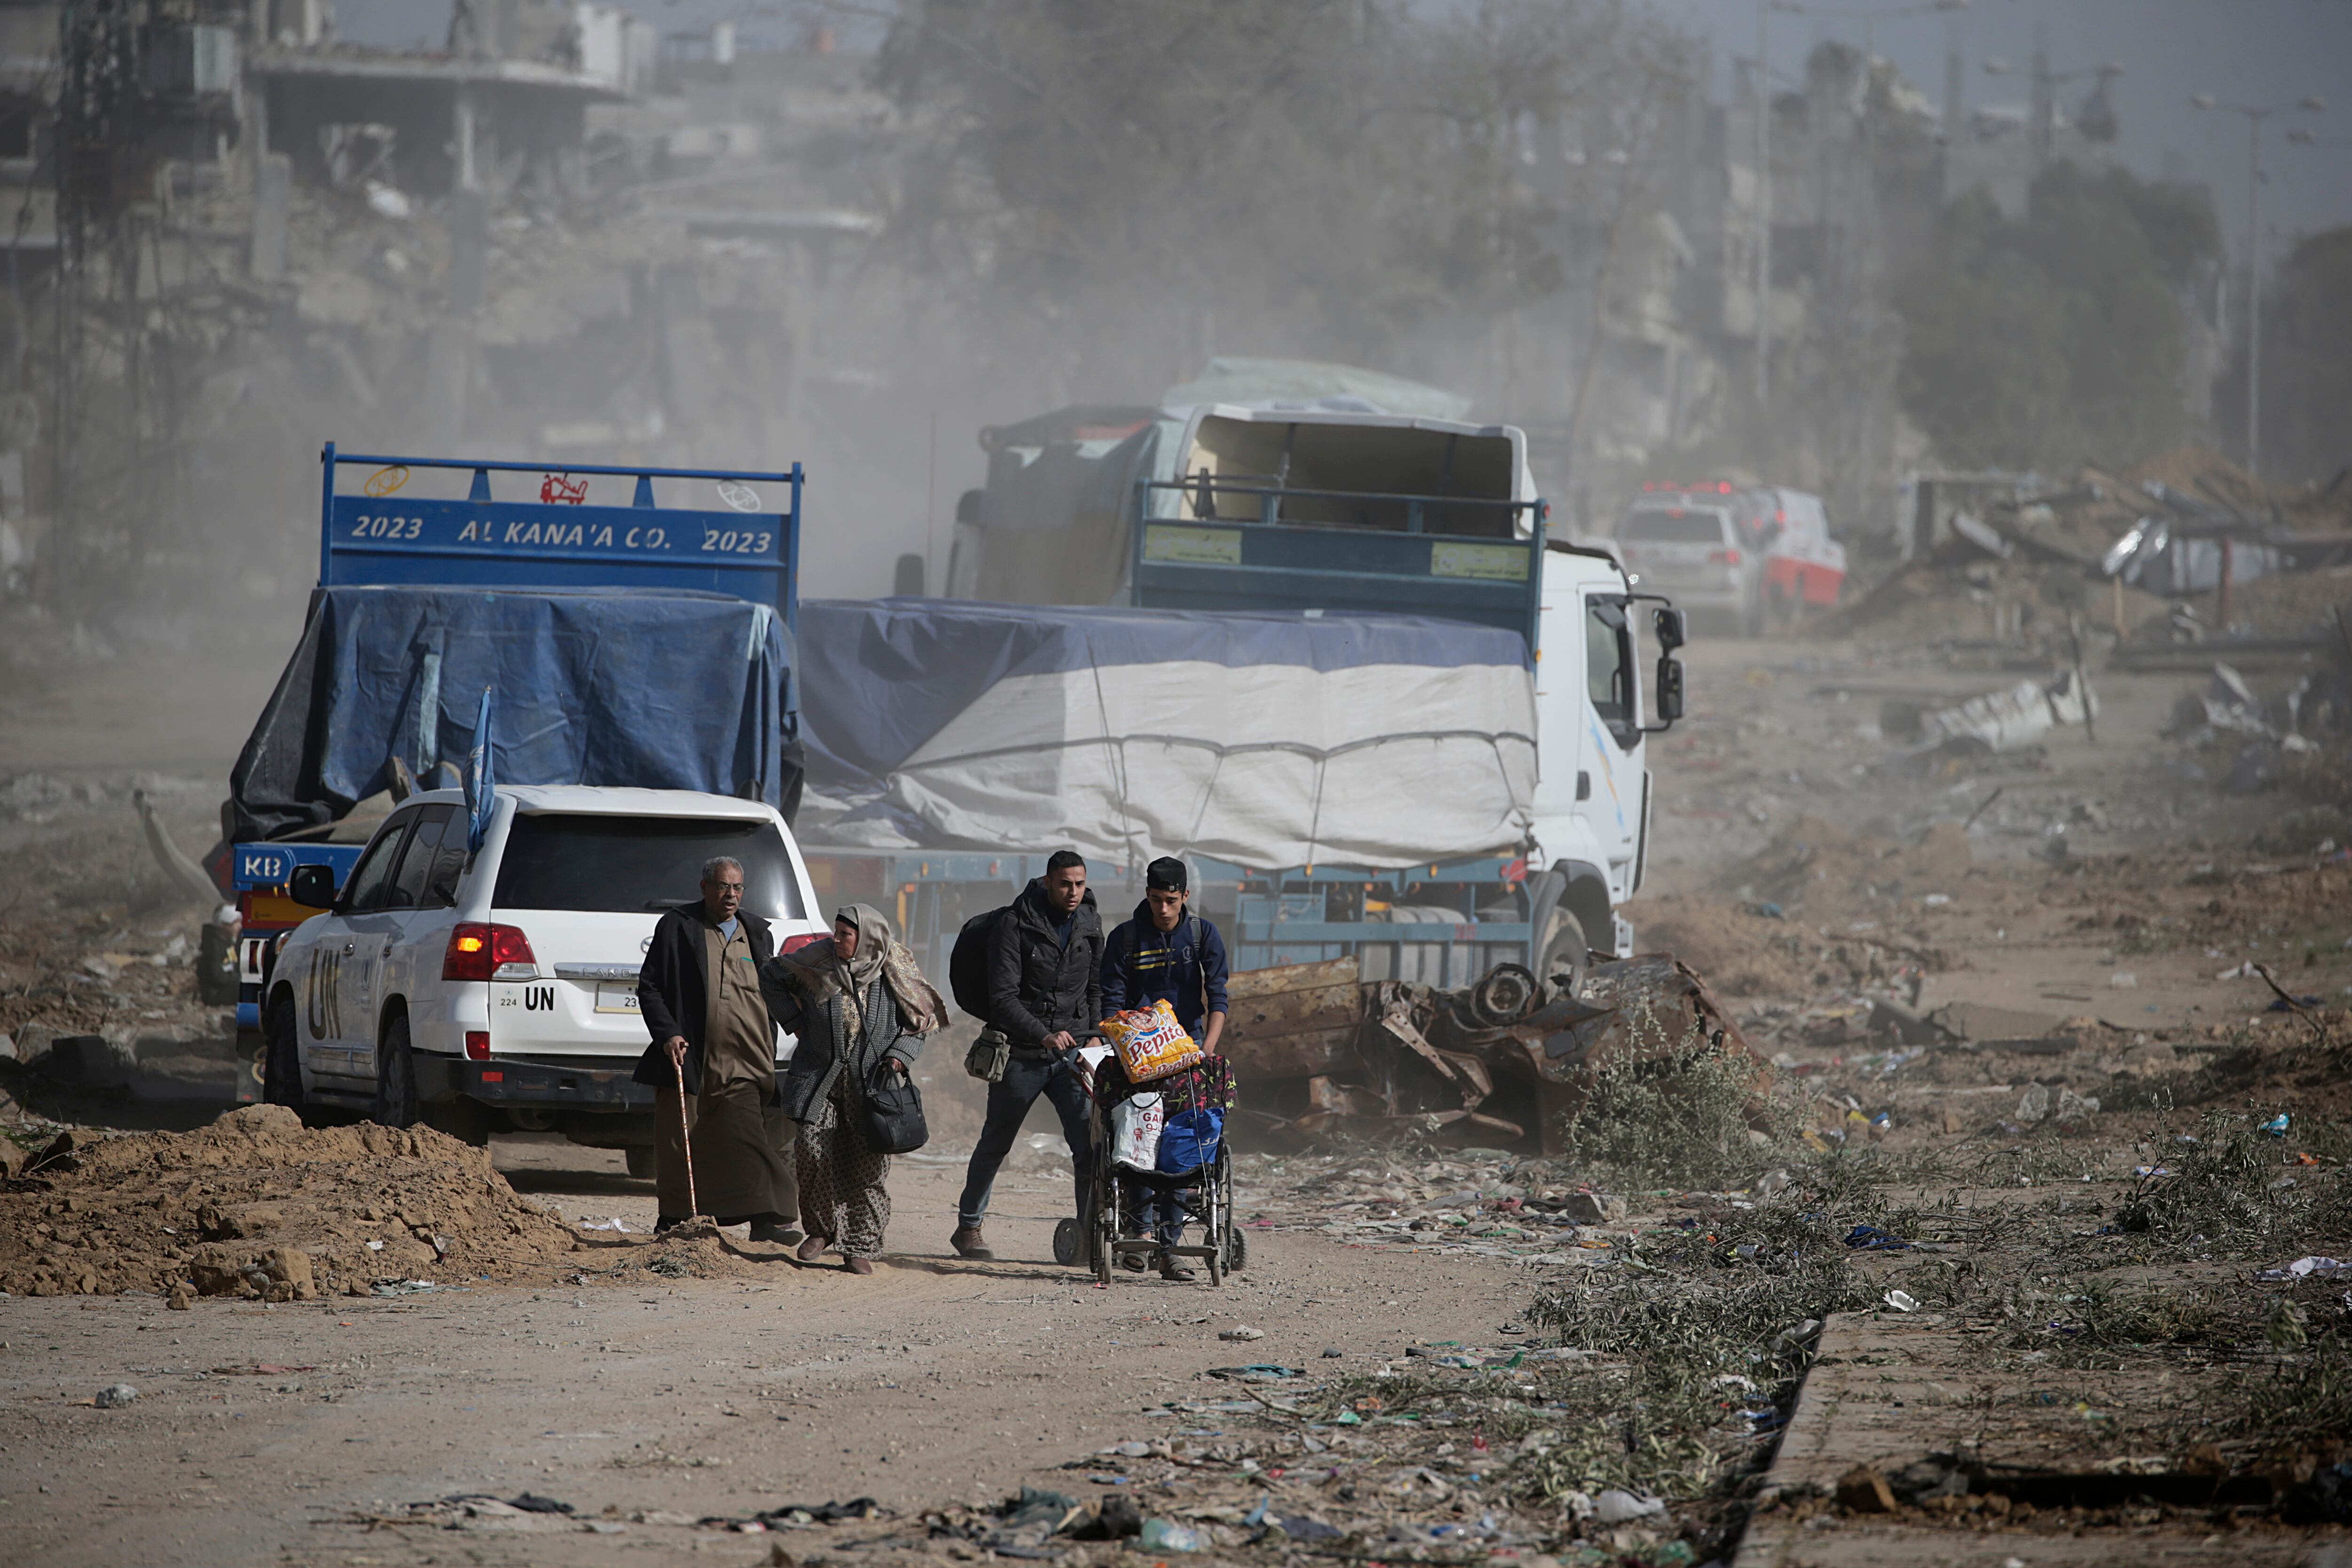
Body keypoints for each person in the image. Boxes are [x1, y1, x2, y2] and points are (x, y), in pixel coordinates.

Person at [768, 904, 946, 1274]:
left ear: (867, 938)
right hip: (820, 1080)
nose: (836, 939)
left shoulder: (893, 972)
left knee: (867, 1169)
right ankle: (820, 1231)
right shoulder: (817, 964)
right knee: (812, 1152)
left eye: (845, 935)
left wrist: (899, 1055)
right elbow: (770, 976)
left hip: (871, 1088)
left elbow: (920, 1021)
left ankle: (859, 1246)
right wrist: (795, 1021)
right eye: (835, 932)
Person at [632, 856, 801, 1242]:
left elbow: (773, 991)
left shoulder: (757, 934)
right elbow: (651, 987)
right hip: (690, 1056)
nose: (731, 895)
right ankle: (674, 1218)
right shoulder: (678, 927)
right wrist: (668, 1034)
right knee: (680, 1137)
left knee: (746, 1135)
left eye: (738, 887)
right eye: (724, 886)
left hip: (744, 1058)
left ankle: (764, 1219)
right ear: (705, 887)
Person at [949, 850, 1102, 1261]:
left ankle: (1088, 1233)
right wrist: (1044, 1034)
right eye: (1066, 884)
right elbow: (1002, 998)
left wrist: (1094, 1036)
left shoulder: (1089, 922)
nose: (1073, 892)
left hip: (1072, 1055)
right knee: (997, 1142)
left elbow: (1094, 987)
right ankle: (969, 1227)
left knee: (1088, 1147)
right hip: (1021, 1053)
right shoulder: (1014, 924)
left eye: (1080, 884)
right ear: (1049, 881)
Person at [1096, 855, 1234, 1279]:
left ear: (1185, 897)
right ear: (1147, 896)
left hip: (1188, 1059)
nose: (1163, 909)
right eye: (1156, 900)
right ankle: (1140, 1234)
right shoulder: (1125, 939)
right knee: (1139, 1141)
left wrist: (1204, 1052)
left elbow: (1219, 999)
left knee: (1180, 1145)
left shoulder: (1202, 935)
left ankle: (1171, 1245)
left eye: (1171, 900)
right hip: (1138, 1061)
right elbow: (1110, 1004)